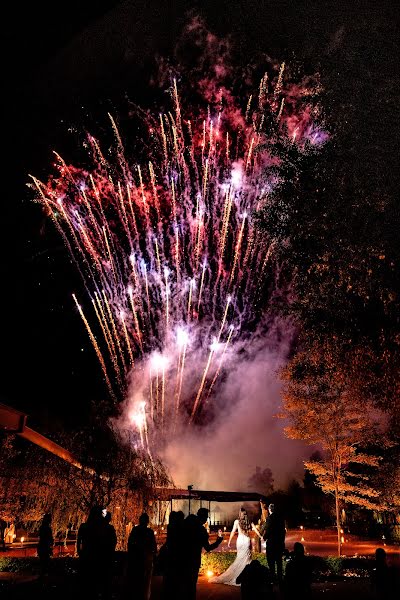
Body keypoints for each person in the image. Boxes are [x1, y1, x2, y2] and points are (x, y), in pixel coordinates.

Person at [182, 507, 223, 599]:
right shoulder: (201, 530)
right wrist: (218, 541)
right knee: (191, 585)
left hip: (183, 558)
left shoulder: (186, 524)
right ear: (203, 517)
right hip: (194, 560)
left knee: (183, 584)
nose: (206, 519)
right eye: (206, 517)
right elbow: (208, 547)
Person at [210, 508, 252, 586]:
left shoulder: (237, 521)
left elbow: (233, 531)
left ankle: (237, 575)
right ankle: (246, 576)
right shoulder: (248, 521)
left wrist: (229, 541)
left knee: (239, 557)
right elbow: (251, 531)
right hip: (246, 540)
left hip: (240, 541)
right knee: (246, 558)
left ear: (240, 514)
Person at [77, 505, 107, 598]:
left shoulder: (84, 526)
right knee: (94, 579)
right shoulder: (100, 528)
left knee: (86, 579)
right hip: (95, 555)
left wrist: (79, 551)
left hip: (86, 554)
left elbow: (79, 541)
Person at [127, 512, 157, 600]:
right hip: (146, 559)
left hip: (136, 559)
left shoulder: (135, 531)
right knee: (146, 582)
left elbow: (130, 544)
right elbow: (153, 546)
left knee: (136, 581)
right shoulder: (149, 532)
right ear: (147, 521)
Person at [256, 503, 286, 584]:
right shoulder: (281, 518)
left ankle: (273, 580)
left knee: (271, 563)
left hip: (272, 545)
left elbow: (268, 530)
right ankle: (280, 580)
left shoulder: (269, 518)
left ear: (269, 510)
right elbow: (283, 532)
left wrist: (264, 537)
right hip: (279, 544)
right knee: (279, 563)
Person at [162, 510, 185, 599]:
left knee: (169, 578)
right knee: (177, 578)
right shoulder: (181, 528)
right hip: (177, 555)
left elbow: (169, 541)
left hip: (171, 554)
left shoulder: (171, 527)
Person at [37, 513, 54, 577]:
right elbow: (49, 538)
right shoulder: (47, 528)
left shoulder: (42, 527)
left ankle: (42, 577)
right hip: (45, 547)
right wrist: (50, 546)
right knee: (45, 563)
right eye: (50, 519)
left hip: (41, 546)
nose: (51, 520)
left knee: (43, 563)